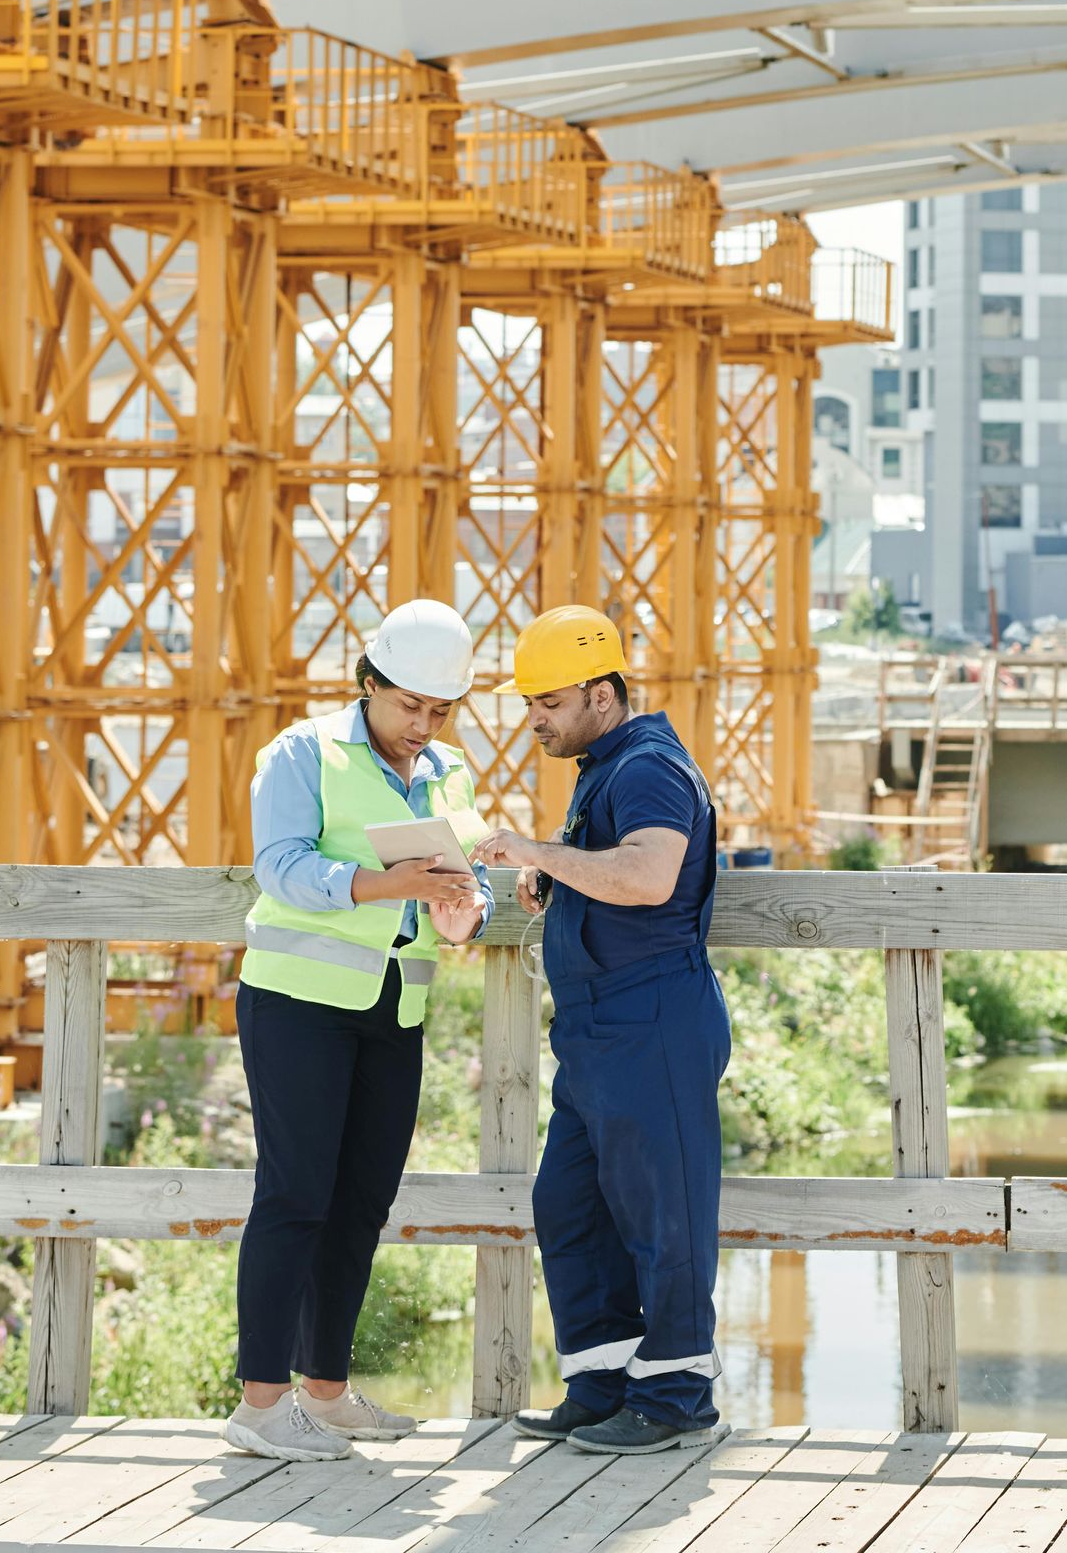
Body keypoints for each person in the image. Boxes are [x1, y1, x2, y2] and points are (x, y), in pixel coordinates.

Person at [224, 599, 495, 1461]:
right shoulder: (302, 753)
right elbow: (283, 869)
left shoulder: (450, 770)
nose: (423, 725)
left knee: (359, 1205)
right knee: (295, 1195)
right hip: (298, 1002)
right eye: (409, 705)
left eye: (440, 711)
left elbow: (465, 888)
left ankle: (327, 1393)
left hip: (394, 1007)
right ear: (369, 683)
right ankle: (260, 1408)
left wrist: (464, 910)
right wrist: (391, 882)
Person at [477, 605, 728, 1456]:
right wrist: (559, 878)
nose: (534, 718)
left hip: (651, 1018)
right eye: (529, 703)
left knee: (666, 1213)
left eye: (547, 701)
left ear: (602, 692)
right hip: (597, 1032)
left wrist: (540, 853)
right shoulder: (604, 765)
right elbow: (610, 872)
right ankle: (603, 1383)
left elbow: (652, 876)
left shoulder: (649, 767)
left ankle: (678, 1398)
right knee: (572, 1204)